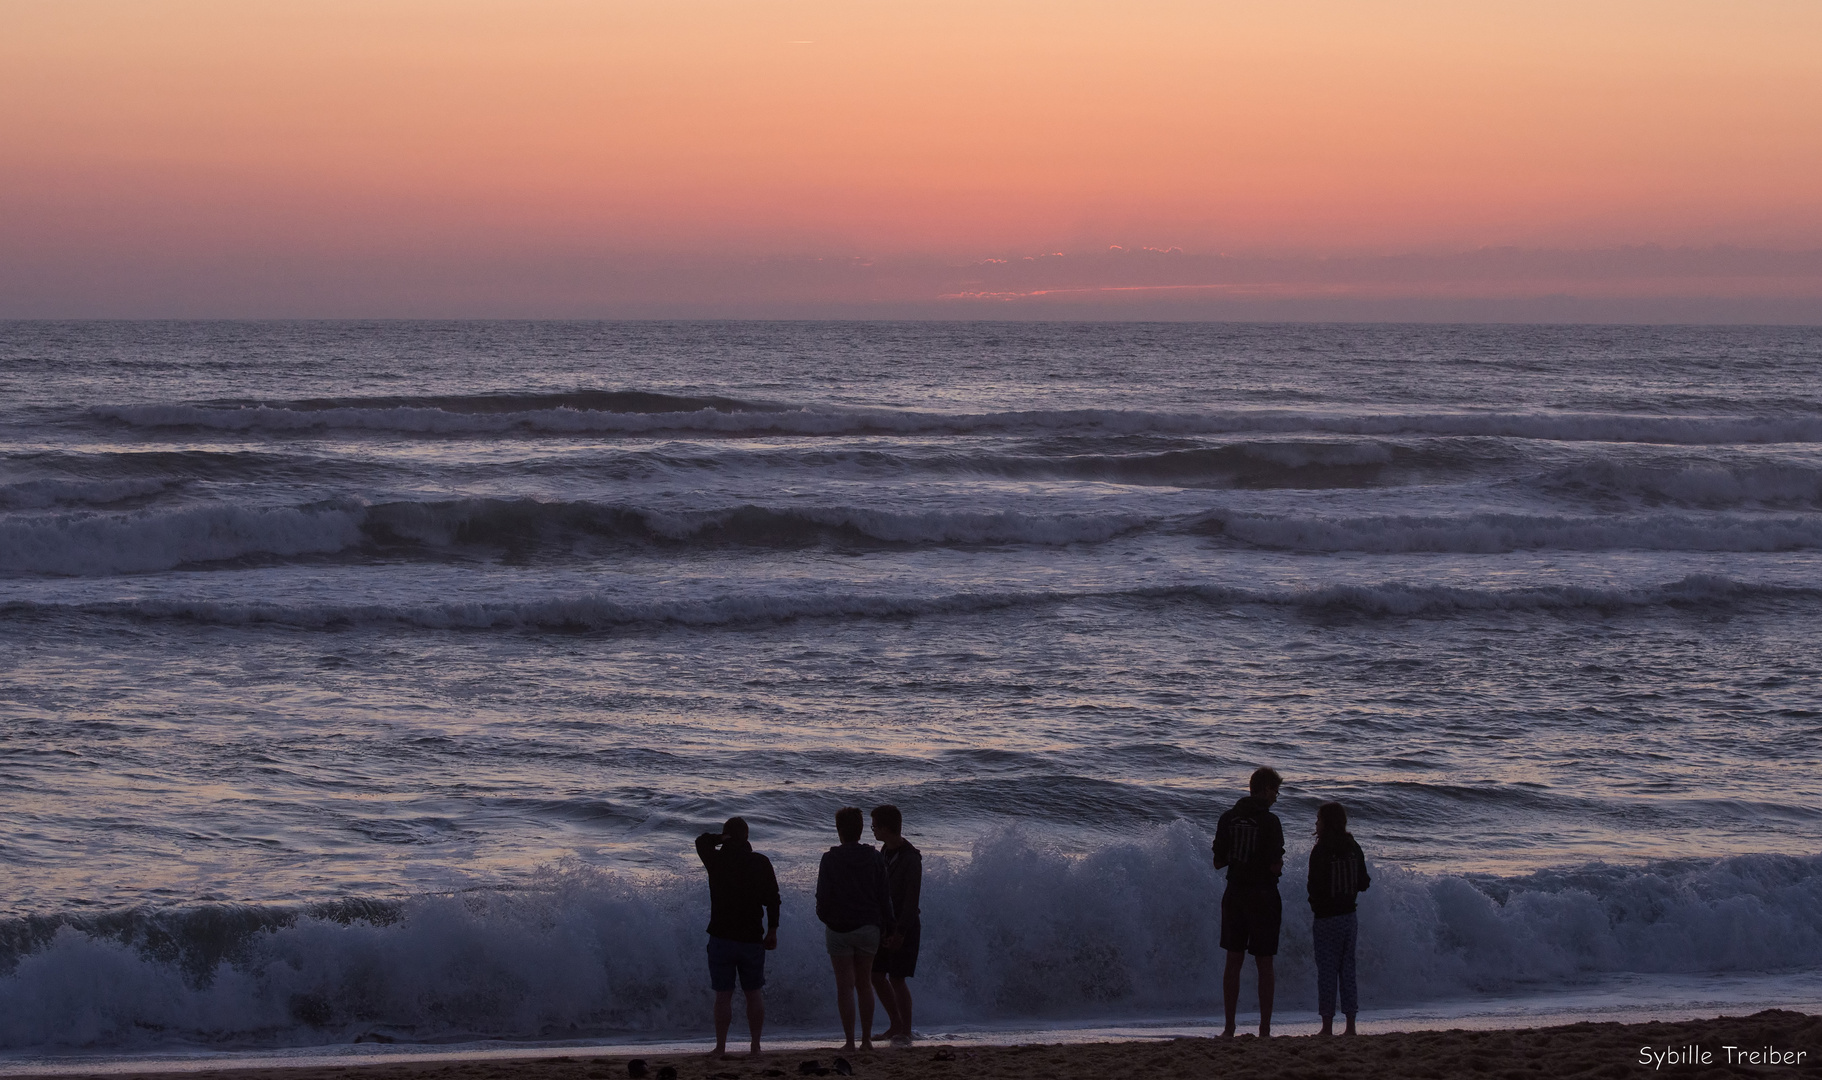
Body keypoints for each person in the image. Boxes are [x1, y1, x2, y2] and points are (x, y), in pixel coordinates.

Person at [695, 817, 781, 1058]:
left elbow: (701, 841)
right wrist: (773, 929)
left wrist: (720, 839)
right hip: (752, 938)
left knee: (723, 996)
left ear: (727, 836)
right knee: (753, 993)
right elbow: (773, 899)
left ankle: (721, 1047)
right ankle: (755, 1046)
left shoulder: (717, 860)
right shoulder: (761, 863)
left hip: (722, 937)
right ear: (747, 837)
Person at [1212, 766, 1285, 1038]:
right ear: (1266, 790)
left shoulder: (1227, 818)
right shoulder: (1270, 821)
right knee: (1264, 963)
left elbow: (1218, 862)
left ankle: (1229, 1027)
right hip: (1263, 896)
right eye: (1276, 791)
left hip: (1235, 894)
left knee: (1233, 960)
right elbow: (1275, 865)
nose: (1276, 797)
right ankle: (1264, 1029)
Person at [815, 806, 895, 1051]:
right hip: (868, 927)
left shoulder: (830, 859)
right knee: (864, 984)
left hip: (839, 928)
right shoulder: (874, 857)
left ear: (839, 831)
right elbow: (884, 895)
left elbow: (822, 897)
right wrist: (888, 926)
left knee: (844, 986)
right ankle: (867, 1040)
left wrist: (827, 918)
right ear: (861, 831)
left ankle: (849, 1041)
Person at [1307, 800, 1371, 1036]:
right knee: (1348, 970)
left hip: (1325, 919)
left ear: (1326, 823)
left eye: (1319, 819)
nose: (1316, 823)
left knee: (1326, 971)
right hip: (1348, 917)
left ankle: (1326, 1026)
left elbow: (1313, 885)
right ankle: (1351, 1025)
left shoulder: (1321, 849)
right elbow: (1364, 882)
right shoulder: (1353, 846)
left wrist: (1316, 905)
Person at [868, 804, 922, 1047]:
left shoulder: (911, 858)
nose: (873, 830)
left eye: (875, 826)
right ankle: (895, 1024)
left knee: (897, 978)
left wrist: (900, 932)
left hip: (905, 925)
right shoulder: (884, 852)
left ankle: (906, 1030)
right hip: (884, 924)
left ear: (886, 828)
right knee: (876, 975)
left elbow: (912, 900)